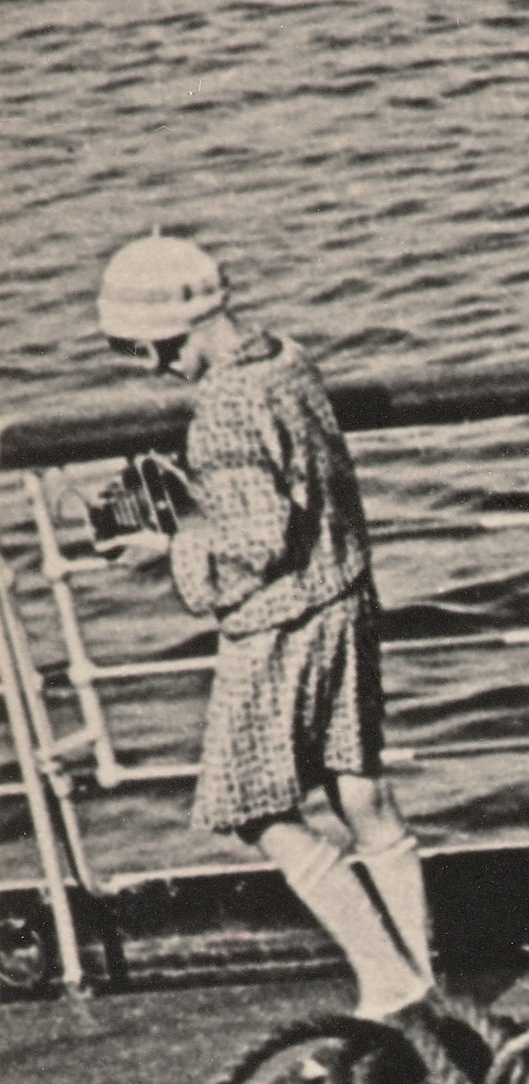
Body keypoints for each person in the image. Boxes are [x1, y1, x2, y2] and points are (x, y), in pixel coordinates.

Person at [94, 233, 438, 1020]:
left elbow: (256, 545)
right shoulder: (287, 359)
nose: (155, 370)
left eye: (148, 352)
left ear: (166, 334)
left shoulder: (221, 412)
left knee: (253, 805)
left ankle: (390, 983)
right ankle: (425, 981)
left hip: (282, 628)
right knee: (359, 785)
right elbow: (290, 494)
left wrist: (170, 542)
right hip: (345, 601)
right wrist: (203, 503)